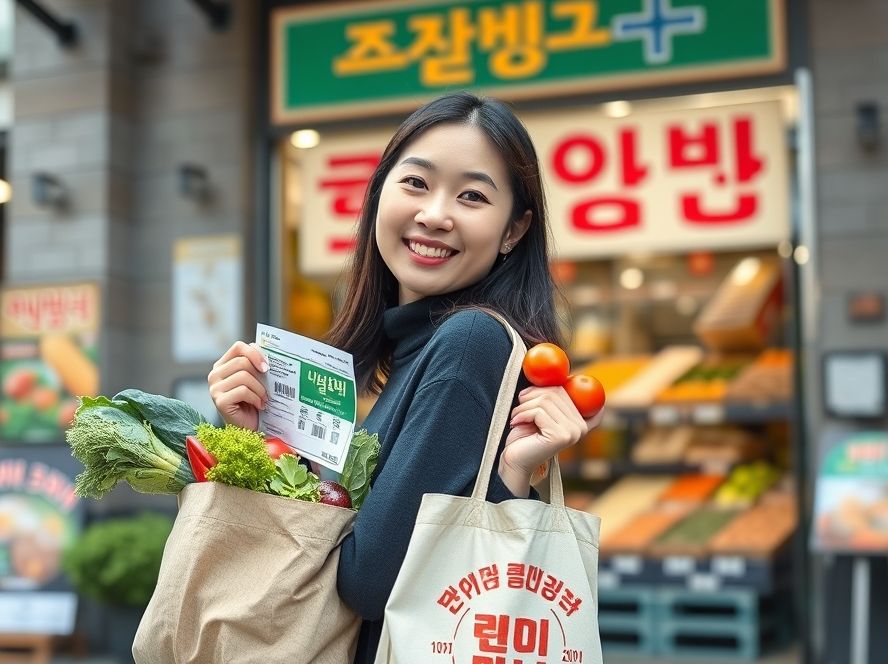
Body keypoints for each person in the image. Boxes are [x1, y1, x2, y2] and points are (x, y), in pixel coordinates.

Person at [207, 91, 602, 663]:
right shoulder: (414, 350)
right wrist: (260, 431)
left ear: (513, 231)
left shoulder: (466, 343)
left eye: (471, 195)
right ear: (379, 196)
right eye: (416, 183)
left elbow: (370, 582)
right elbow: (420, 554)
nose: (435, 214)